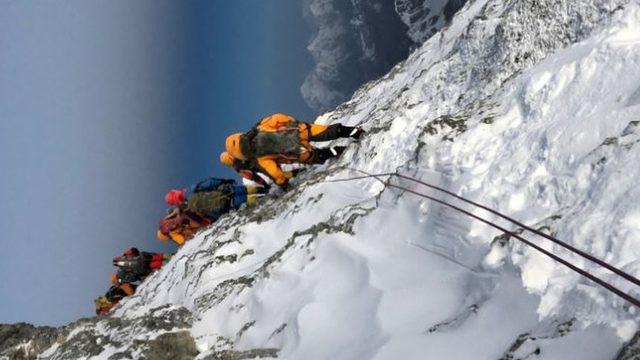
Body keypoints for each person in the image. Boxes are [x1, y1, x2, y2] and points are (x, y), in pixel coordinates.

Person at [224, 113, 363, 187]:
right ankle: (355, 132)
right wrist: (294, 123)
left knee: (319, 156)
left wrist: (282, 183)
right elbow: (278, 118)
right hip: (300, 131)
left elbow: (275, 173)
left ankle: (339, 151)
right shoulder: (259, 128)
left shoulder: (259, 157)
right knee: (327, 131)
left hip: (299, 152)